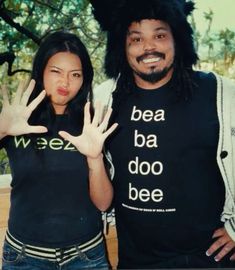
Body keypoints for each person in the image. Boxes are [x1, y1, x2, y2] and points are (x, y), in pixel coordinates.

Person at [90, 0, 235, 269]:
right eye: (136, 39)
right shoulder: (104, 99)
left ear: (177, 39)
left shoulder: (219, 92)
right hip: (136, 261)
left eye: (159, 35)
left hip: (208, 260)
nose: (148, 47)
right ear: (122, 47)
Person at [0, 31, 117, 270]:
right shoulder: (18, 117)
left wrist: (94, 158)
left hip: (86, 257)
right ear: (41, 71)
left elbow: (104, 204)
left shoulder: (90, 124)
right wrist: (2, 130)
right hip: (24, 257)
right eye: (56, 71)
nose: (65, 83)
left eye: (75, 75)